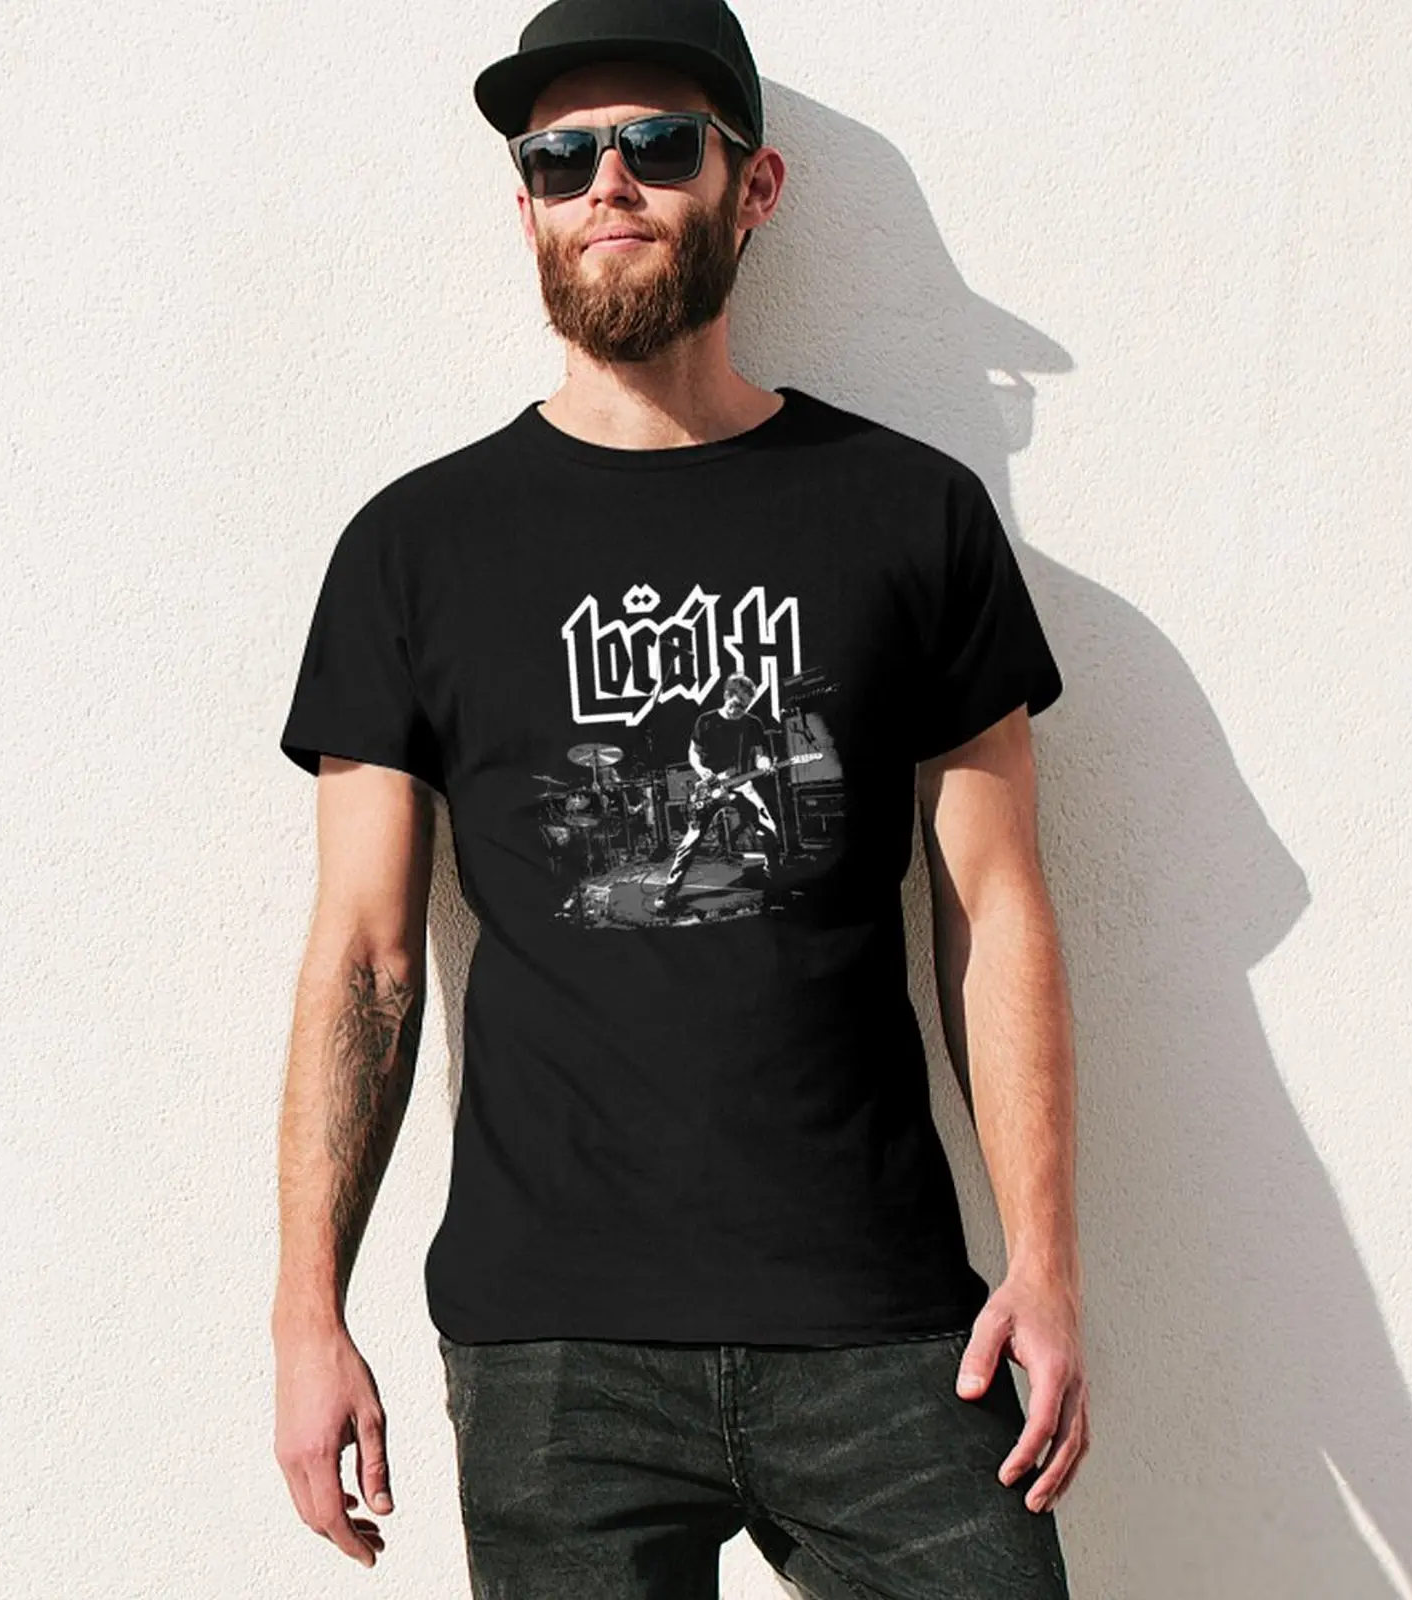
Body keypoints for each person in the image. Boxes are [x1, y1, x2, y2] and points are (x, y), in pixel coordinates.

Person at [270, 0, 1089, 1594]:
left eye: (658, 145)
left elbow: (995, 910)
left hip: (884, 1320)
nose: (608, 183)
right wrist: (310, 1313)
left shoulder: (911, 516)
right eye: (560, 156)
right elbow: (364, 959)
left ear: (751, 185)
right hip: (554, 1354)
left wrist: (1047, 1262)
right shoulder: (414, 550)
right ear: (525, 206)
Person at [656, 669, 783, 913]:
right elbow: (693, 752)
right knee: (690, 842)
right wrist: (701, 770)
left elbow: (760, 754)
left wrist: (765, 764)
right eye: (737, 702)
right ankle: (669, 892)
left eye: (745, 705)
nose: (740, 709)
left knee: (769, 832)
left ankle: (774, 882)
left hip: (742, 785)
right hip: (710, 788)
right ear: (726, 695)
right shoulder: (706, 721)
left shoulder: (752, 724)